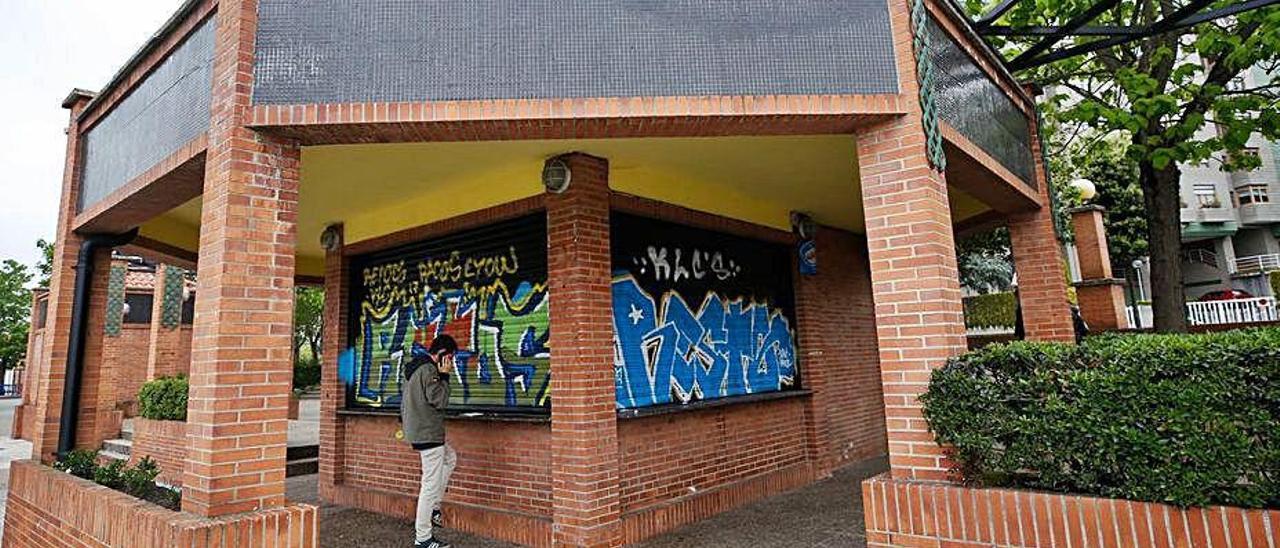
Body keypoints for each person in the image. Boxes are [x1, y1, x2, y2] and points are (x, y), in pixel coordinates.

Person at [402, 335, 458, 548]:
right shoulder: (430, 371)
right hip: (428, 434)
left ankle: (434, 506)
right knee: (429, 485)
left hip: (419, 431)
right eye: (449, 357)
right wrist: (445, 376)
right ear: (442, 353)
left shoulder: (416, 367)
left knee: (450, 458)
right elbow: (440, 400)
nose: (450, 362)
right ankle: (423, 538)